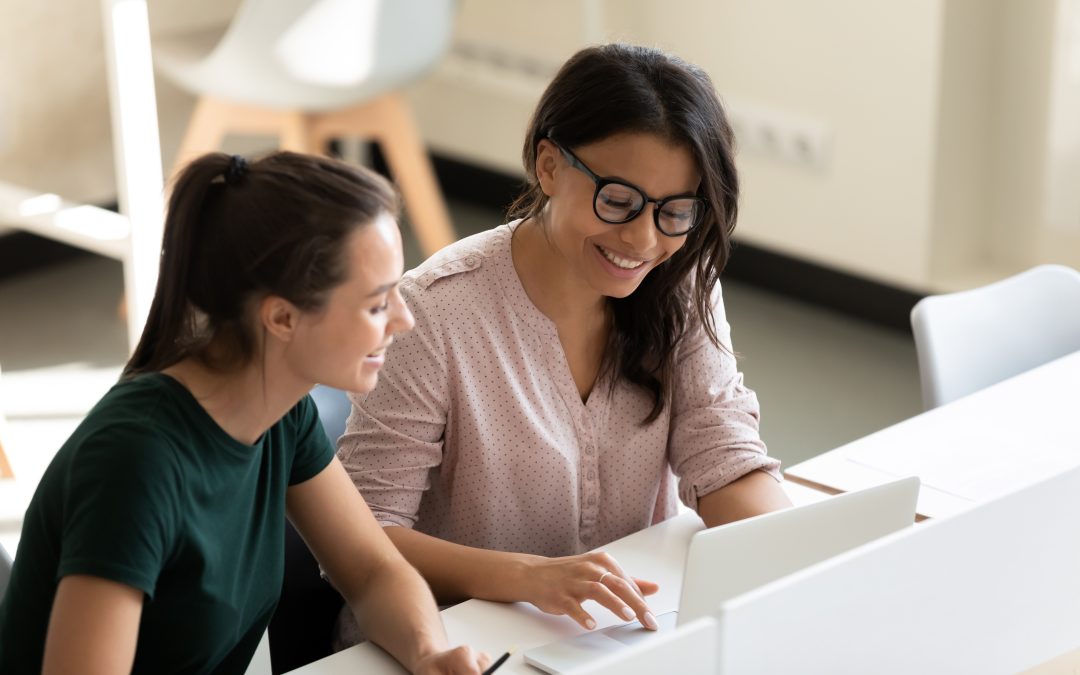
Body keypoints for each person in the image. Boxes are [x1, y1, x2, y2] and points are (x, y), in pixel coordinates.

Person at [334, 43, 793, 647]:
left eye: (675, 212)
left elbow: (727, 458)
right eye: (619, 201)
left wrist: (798, 559)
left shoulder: (682, 286)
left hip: (610, 637)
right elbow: (358, 539)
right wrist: (528, 577)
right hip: (450, 637)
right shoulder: (436, 311)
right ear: (548, 167)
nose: (644, 239)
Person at [0, 152, 489, 674]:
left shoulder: (282, 413)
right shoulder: (135, 465)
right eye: (376, 304)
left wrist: (430, 654)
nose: (405, 320)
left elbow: (372, 571)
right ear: (281, 317)